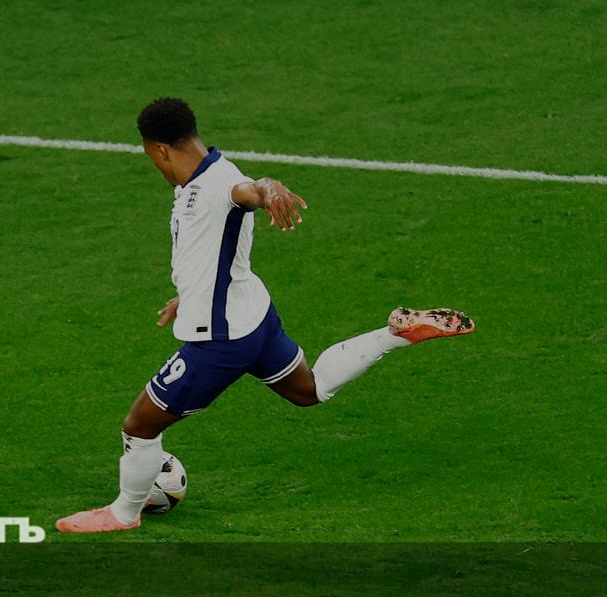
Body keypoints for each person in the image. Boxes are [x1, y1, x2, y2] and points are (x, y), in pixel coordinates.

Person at [56, 98, 474, 533]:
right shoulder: (204, 177)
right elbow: (210, 247)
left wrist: (269, 187)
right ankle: (395, 334)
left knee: (140, 426)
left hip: (220, 340)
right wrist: (189, 296)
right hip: (254, 319)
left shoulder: (221, 183)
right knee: (309, 389)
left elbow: (250, 191)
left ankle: (123, 514)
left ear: (160, 150)